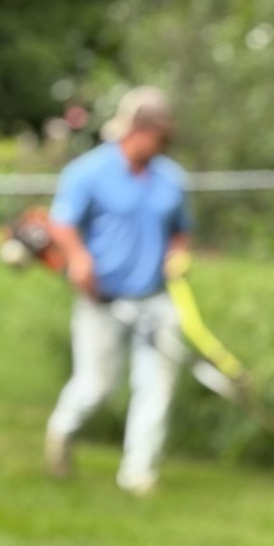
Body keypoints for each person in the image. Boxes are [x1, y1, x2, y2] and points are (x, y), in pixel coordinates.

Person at [43, 87, 193, 495]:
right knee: (96, 386)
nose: (163, 147)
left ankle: (138, 474)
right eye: (159, 137)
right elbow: (61, 224)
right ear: (136, 130)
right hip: (102, 300)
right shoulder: (88, 172)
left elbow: (180, 233)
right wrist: (78, 258)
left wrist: (178, 257)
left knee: (156, 388)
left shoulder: (171, 179)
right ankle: (61, 432)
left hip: (155, 300)